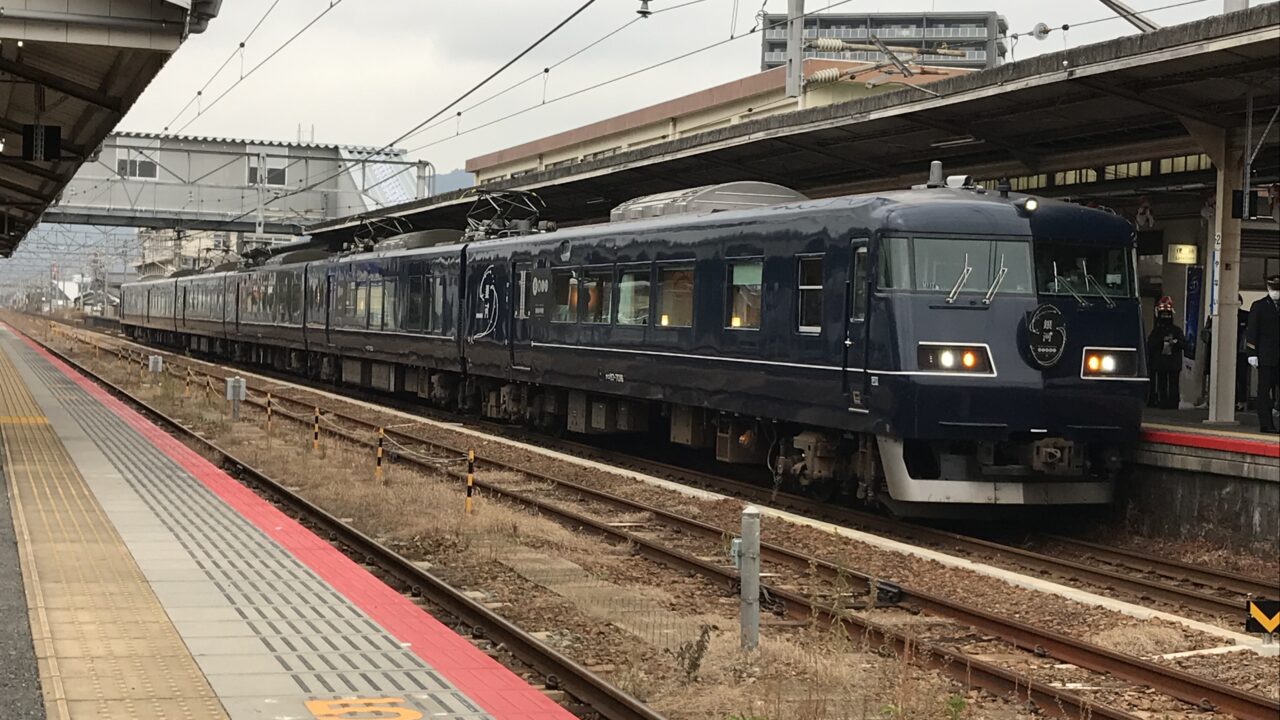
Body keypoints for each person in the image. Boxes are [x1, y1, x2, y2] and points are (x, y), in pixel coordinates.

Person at [1245, 275, 1280, 433]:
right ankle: (1266, 424)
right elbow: (1252, 330)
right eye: (1273, 289)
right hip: (1265, 356)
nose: (1276, 292)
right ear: (1268, 288)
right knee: (1264, 391)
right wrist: (1252, 352)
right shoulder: (1259, 306)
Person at [1147, 296, 1185, 410]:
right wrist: (1161, 342)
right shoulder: (1156, 331)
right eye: (1163, 314)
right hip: (1161, 362)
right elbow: (1150, 345)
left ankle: (1172, 402)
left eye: (1167, 314)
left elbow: (1184, 344)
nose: (1165, 317)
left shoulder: (1176, 330)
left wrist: (1175, 343)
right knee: (1162, 383)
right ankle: (1163, 402)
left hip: (1172, 362)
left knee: (1173, 384)